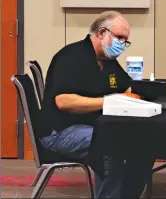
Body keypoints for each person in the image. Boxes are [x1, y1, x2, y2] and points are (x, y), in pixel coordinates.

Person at [38, 11, 154, 198]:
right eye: (120, 38)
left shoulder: (108, 62)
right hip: (59, 131)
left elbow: (127, 89)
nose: (123, 45)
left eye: (126, 40)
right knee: (111, 142)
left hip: (91, 125)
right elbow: (63, 101)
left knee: (144, 144)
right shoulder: (70, 57)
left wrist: (151, 92)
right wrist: (109, 101)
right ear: (102, 33)